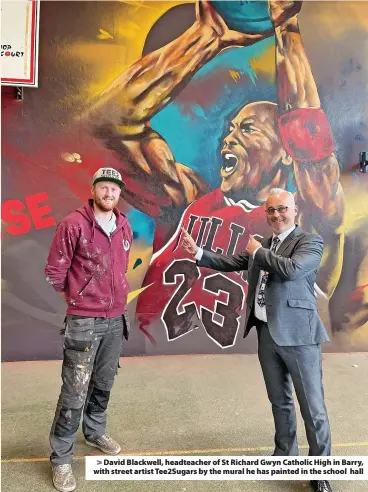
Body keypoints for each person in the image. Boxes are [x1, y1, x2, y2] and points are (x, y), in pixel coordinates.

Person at [87, 0, 344, 348]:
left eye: (248, 129)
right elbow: (108, 124)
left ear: (286, 153)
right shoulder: (190, 199)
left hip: (242, 362)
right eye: (232, 128)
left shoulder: (309, 222)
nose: (230, 136)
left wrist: (287, 29)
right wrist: (207, 37)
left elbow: (307, 133)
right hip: (156, 359)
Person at [182, 187, 332, 492]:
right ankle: (284, 456)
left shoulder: (309, 242)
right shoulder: (263, 244)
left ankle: (320, 473)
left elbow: (290, 270)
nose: (276, 215)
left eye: (282, 209)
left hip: (300, 337)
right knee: (280, 402)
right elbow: (235, 262)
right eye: (271, 210)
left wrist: (258, 252)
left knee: (312, 408)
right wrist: (198, 253)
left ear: (294, 210)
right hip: (267, 333)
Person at [45, 167, 133, 492]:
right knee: (74, 390)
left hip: (115, 320)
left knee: (104, 381)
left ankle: (95, 432)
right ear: (94, 190)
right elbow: (55, 273)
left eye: (115, 189)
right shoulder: (73, 224)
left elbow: (119, 269)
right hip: (83, 321)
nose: (109, 194)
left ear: (119, 193)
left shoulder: (123, 226)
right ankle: (61, 459)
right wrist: (79, 301)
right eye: (104, 188)